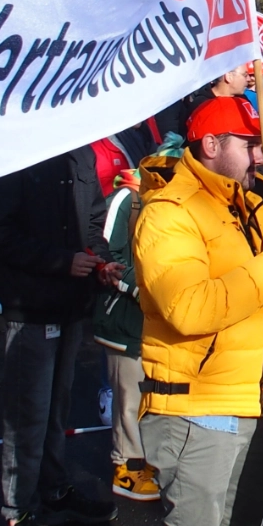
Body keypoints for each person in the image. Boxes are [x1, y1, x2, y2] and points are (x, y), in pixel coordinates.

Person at [132, 95, 263, 526]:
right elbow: (189, 307)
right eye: (251, 144)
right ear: (211, 145)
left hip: (252, 399)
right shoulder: (168, 213)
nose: (261, 156)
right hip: (198, 411)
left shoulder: (255, 206)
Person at [0, 151, 117, 526]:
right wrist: (60, 262)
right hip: (31, 306)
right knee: (27, 415)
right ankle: (15, 513)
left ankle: (54, 492)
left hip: (71, 306)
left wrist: (100, 260)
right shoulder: (17, 153)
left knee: (57, 409)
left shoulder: (81, 154)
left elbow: (93, 220)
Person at [87, 122, 163, 504]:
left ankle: (146, 459)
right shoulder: (126, 198)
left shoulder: (166, 202)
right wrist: (143, 288)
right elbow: (110, 255)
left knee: (149, 393)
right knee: (128, 396)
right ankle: (126, 466)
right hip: (123, 317)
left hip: (151, 319)